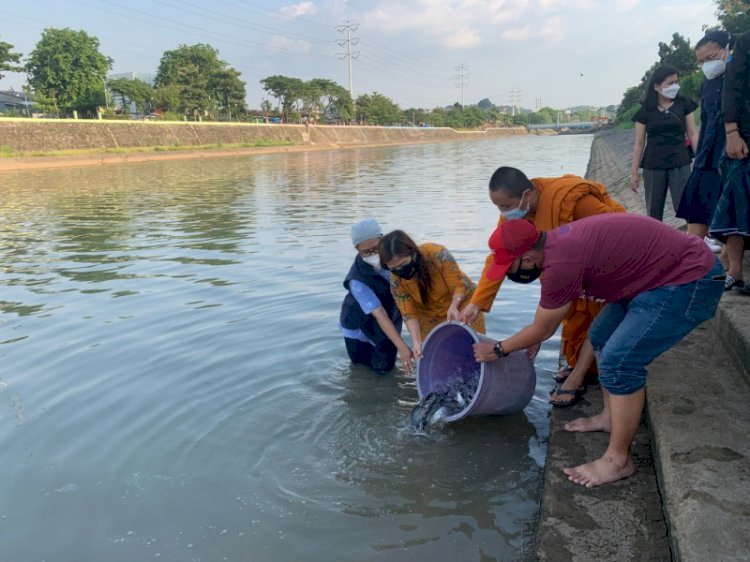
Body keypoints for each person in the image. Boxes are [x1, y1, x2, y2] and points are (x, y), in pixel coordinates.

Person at [473, 215, 724, 487]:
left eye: (508, 267)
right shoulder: (556, 244)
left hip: (690, 278)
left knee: (620, 363)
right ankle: (608, 417)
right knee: (600, 337)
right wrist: (534, 333)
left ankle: (618, 461)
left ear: (529, 258)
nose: (509, 274)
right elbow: (543, 323)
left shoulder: (560, 264)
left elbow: (543, 329)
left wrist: (498, 349)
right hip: (654, 277)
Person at [457, 167, 625, 407]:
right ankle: (581, 367)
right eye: (499, 208)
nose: (504, 214)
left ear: (526, 194)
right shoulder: (512, 216)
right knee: (573, 323)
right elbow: (499, 257)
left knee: (598, 324)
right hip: (566, 271)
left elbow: (616, 228)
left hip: (604, 264)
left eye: (506, 206)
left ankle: (577, 378)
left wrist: (504, 346)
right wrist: (476, 304)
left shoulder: (570, 199)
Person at [378, 230, 486, 362]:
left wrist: (454, 305)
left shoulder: (437, 254)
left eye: (403, 264)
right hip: (428, 316)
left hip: (461, 305)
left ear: (413, 252)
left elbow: (458, 285)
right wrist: (416, 341)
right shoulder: (396, 280)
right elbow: (408, 313)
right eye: (394, 269)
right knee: (440, 357)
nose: (400, 271)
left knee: (473, 351)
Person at [676, 31, 735, 254]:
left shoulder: (739, 79)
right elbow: (706, 121)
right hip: (705, 158)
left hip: (730, 155)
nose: (706, 65)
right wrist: (698, 155)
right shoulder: (707, 85)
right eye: (702, 61)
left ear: (727, 48)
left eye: (710, 58)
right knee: (697, 209)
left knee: (731, 216)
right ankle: (691, 261)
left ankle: (732, 269)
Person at [340, 218, 414, 375]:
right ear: (357, 249)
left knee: (387, 366)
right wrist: (403, 347)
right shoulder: (357, 279)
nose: (373, 254)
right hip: (358, 325)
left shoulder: (395, 258)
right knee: (363, 371)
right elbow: (379, 314)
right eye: (366, 252)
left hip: (389, 315)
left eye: (376, 248)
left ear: (383, 240)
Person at [630, 65, 699, 221]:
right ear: (657, 86)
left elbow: (693, 133)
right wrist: (634, 173)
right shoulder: (645, 111)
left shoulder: (684, 103)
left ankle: (692, 241)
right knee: (654, 211)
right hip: (653, 165)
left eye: (676, 82)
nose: (674, 86)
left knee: (686, 207)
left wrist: (700, 161)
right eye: (670, 83)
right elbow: (639, 143)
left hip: (680, 162)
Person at [711, 31, 750, 294]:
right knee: (736, 201)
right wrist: (732, 132)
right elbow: (732, 86)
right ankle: (734, 271)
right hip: (745, 136)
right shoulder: (746, 41)